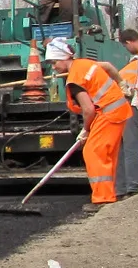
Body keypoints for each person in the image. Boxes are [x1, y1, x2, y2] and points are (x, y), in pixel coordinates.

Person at [46, 38, 130, 206]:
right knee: (106, 154)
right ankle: (111, 194)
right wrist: (121, 83)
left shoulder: (75, 80)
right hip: (118, 110)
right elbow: (107, 65)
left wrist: (85, 129)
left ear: (64, 58)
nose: (53, 67)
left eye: (55, 62)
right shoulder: (84, 64)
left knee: (93, 152)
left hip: (108, 113)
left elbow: (88, 109)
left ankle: (103, 199)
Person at [116, 29, 138, 198]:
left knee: (130, 146)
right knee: (129, 146)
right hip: (132, 103)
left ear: (128, 42)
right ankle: (127, 187)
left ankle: (132, 187)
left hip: (132, 104)